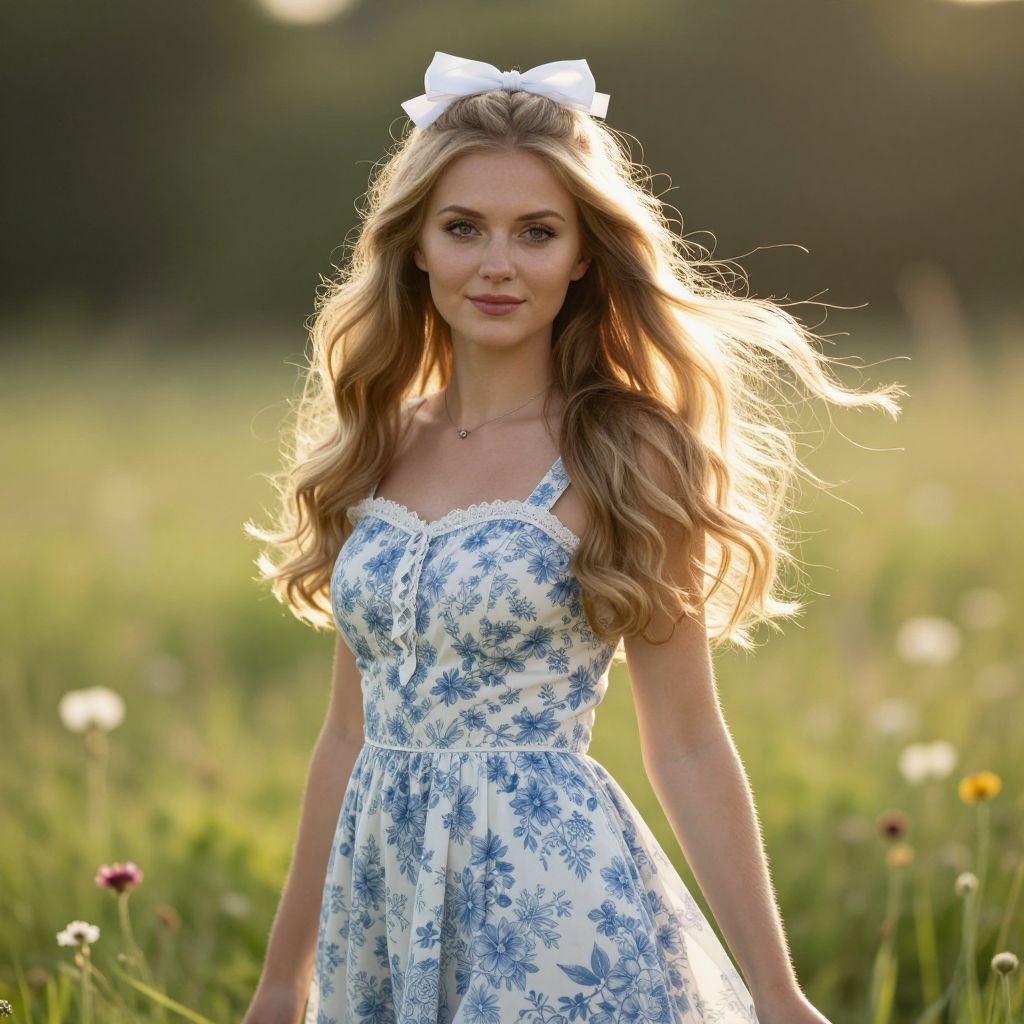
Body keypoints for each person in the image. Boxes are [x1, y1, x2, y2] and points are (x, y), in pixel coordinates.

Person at [241, 53, 903, 1024]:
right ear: (416, 244)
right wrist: (281, 979)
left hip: (552, 908)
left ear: (583, 253)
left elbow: (685, 741)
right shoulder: (374, 446)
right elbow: (346, 735)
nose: (498, 264)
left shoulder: (625, 452)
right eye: (463, 227)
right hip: (382, 905)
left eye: (536, 233)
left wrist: (774, 989)